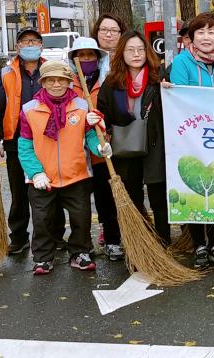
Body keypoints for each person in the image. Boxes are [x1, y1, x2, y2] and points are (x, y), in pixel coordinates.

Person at [18, 60, 112, 275]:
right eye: (51, 80)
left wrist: (101, 147)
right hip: (42, 177)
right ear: (43, 82)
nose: (56, 85)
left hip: (76, 175)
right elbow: (24, 145)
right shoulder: (29, 110)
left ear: (69, 82)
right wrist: (35, 172)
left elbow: (89, 136)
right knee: (42, 220)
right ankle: (43, 257)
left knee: (81, 217)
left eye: (61, 80)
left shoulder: (81, 106)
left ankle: (80, 252)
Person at [168, 13, 214, 267]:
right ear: (191, 38)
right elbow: (182, 98)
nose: (206, 37)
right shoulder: (182, 62)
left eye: (211, 32)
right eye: (200, 33)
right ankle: (198, 244)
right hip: (191, 138)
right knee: (193, 186)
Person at [0, 28, 63, 256]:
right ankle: (19, 237)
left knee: (52, 191)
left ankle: (55, 236)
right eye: (24, 41)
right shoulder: (5, 73)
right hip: (16, 140)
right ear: (18, 46)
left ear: (41, 46)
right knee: (19, 193)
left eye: (34, 40)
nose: (29, 44)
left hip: (49, 140)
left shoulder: (51, 70)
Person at [96, 32, 170, 245]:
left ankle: (163, 242)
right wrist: (103, 130)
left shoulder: (159, 78)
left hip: (156, 145)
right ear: (122, 53)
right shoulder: (112, 83)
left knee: (158, 198)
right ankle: (141, 241)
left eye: (140, 49)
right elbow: (103, 113)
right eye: (130, 50)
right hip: (125, 147)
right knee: (132, 196)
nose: (136, 54)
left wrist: (168, 89)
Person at [67, 36, 126, 260]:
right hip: (76, 152)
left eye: (90, 55)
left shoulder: (108, 81)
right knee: (79, 203)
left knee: (106, 198)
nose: (86, 59)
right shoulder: (67, 82)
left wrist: (103, 127)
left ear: (98, 58)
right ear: (74, 59)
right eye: (81, 55)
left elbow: (115, 111)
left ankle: (112, 240)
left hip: (102, 150)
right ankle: (82, 245)